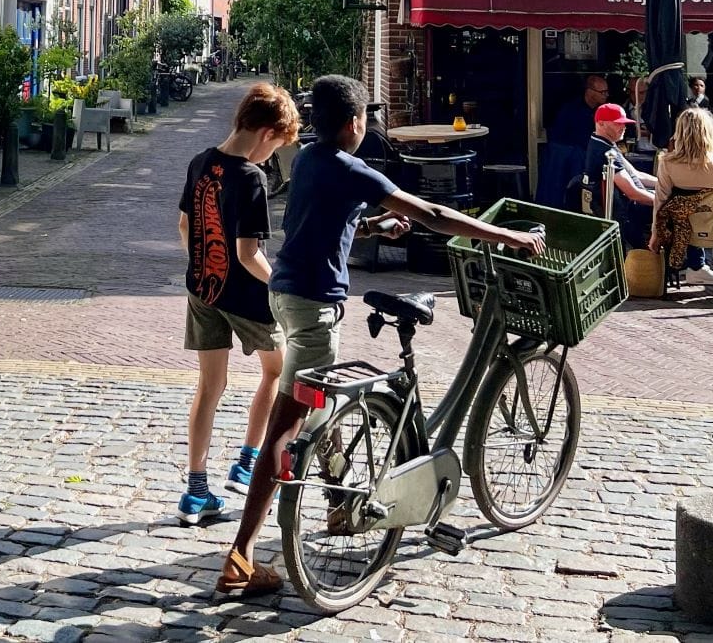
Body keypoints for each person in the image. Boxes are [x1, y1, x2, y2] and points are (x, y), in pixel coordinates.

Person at [217, 74, 546, 596]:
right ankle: (241, 554)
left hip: (286, 295)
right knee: (287, 425)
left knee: (321, 411)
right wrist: (509, 236)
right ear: (355, 124)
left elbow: (321, 223)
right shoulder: (351, 167)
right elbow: (433, 214)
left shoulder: (308, 159)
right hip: (314, 308)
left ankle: (338, 506)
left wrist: (372, 227)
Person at [176, 82, 301, 525]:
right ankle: (246, 464)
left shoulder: (200, 162)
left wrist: (201, 267)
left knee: (209, 386)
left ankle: (195, 491)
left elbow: (185, 226)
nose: (271, 157)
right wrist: (281, 283)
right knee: (277, 371)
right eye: (277, 147)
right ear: (267, 133)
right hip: (247, 297)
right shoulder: (251, 178)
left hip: (202, 290)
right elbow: (249, 254)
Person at [646, 108, 713, 284]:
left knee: (683, 210)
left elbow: (660, 200)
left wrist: (656, 233)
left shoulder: (667, 163)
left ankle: (697, 266)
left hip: (680, 230)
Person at [582, 102, 656, 251]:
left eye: (624, 123)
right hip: (627, 213)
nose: (623, 127)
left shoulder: (606, 144)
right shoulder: (604, 151)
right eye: (618, 123)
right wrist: (664, 201)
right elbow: (633, 193)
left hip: (631, 208)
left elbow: (635, 174)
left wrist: (665, 184)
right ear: (601, 123)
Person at [536, 75, 610, 207]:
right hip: (568, 161)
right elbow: (563, 139)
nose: (606, 95)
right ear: (589, 91)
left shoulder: (602, 111)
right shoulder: (570, 111)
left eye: (606, 91)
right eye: (602, 92)